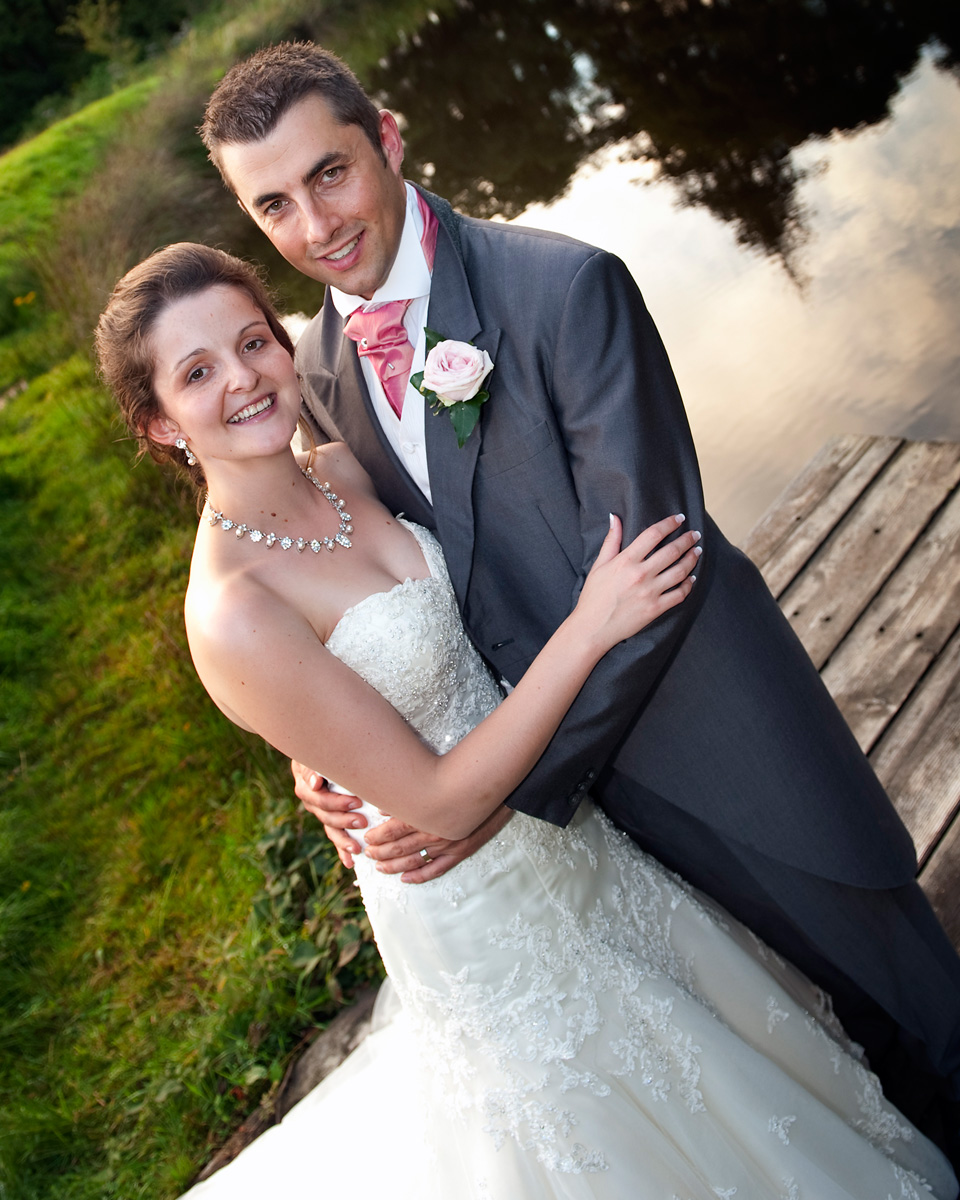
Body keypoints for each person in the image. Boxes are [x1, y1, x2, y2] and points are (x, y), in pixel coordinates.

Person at [197, 40, 960, 1161]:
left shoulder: (565, 289)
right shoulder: (315, 370)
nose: (315, 225)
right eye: (273, 204)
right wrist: (322, 753)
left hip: (719, 758)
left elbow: (660, 566)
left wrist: (493, 797)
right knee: (788, 1067)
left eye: (331, 173)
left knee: (921, 1025)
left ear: (389, 138)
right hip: (581, 858)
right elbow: (351, 580)